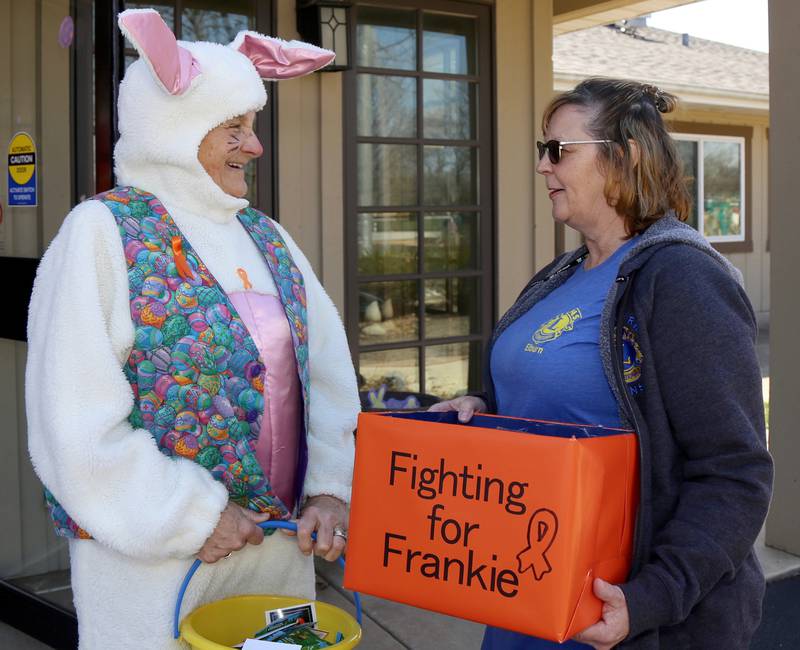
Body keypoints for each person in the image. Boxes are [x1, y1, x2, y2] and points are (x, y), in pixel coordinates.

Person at [25, 9, 359, 649]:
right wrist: (188, 516)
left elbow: (326, 381)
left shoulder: (268, 237)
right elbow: (72, 420)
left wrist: (329, 491)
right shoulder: (102, 234)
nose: (254, 146)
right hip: (159, 568)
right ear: (173, 129)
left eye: (252, 127)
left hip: (280, 559)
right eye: (233, 127)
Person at [430, 77, 773, 649]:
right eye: (544, 150)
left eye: (559, 150)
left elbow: (734, 471)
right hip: (525, 591)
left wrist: (652, 597)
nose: (543, 166)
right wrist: (483, 411)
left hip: (624, 619)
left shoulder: (683, 279)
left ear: (626, 157)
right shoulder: (561, 275)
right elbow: (547, 404)